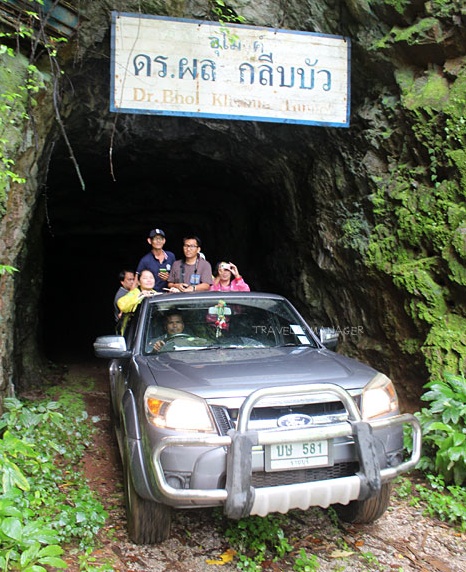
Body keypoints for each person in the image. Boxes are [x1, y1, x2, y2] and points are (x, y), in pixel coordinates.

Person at [136, 228, 176, 293]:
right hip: (152, 295)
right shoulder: (145, 260)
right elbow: (136, 281)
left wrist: (169, 278)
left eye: (160, 238)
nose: (158, 241)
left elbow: (176, 276)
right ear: (149, 241)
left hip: (169, 294)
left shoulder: (171, 256)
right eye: (155, 238)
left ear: (164, 241)